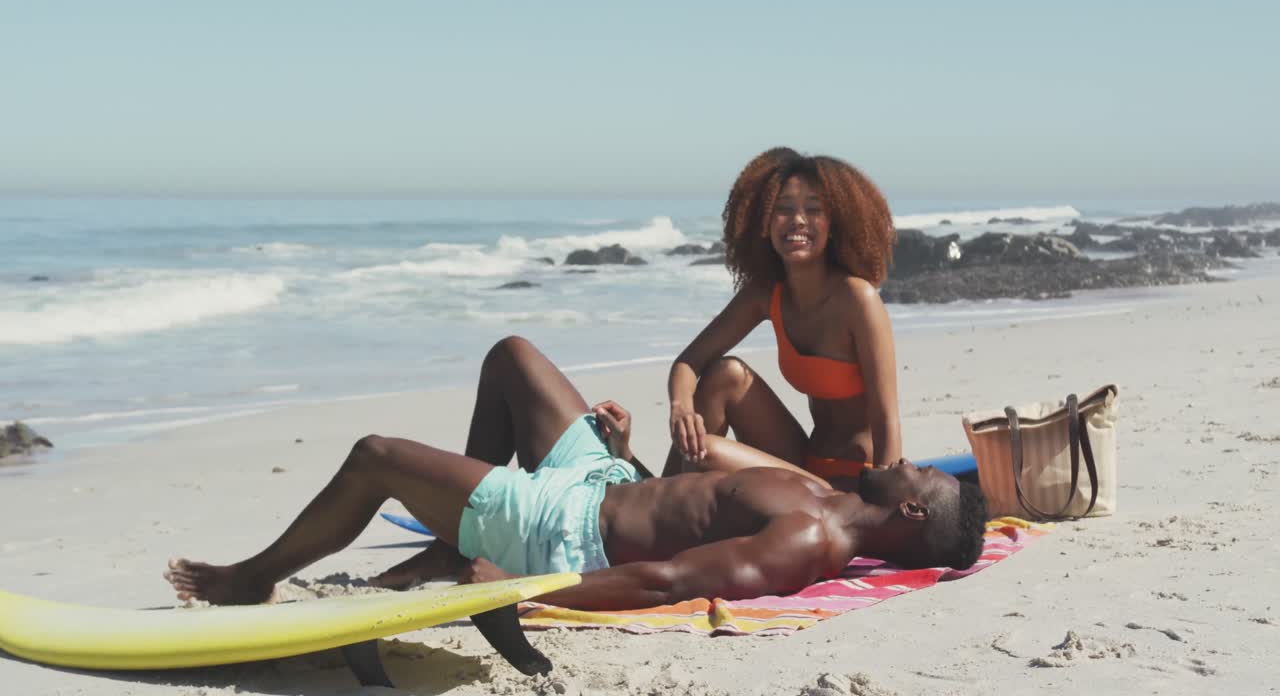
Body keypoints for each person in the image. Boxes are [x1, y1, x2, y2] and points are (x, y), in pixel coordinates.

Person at [165, 337, 985, 612]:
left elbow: (667, 579)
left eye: (918, 473)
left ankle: (254, 578)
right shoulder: (820, 496)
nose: (905, 461)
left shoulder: (805, 541)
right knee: (513, 358)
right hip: (600, 481)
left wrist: (521, 589)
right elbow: (685, 504)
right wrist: (626, 454)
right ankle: (459, 529)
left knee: (375, 455)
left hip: (562, 529)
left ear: (912, 512)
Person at [664, 147, 901, 483]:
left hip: (855, 480)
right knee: (726, 375)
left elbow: (886, 419)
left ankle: (660, 500)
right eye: (783, 209)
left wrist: (886, 500)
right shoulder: (766, 293)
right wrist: (681, 408)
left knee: (708, 452)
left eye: (814, 210)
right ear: (763, 220)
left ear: (835, 224)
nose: (798, 220)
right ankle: (658, 495)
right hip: (805, 464)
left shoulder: (857, 299)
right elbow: (690, 362)